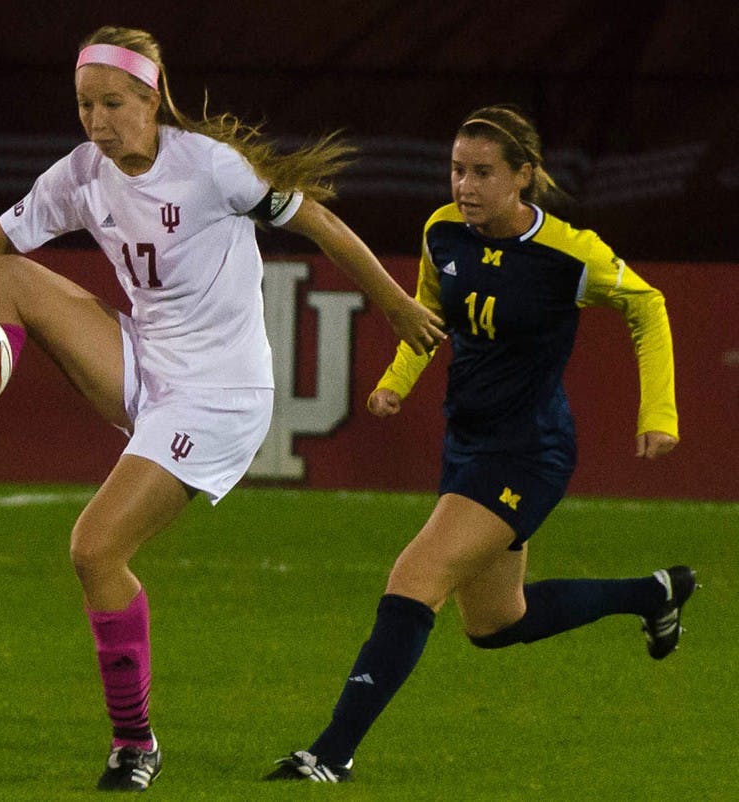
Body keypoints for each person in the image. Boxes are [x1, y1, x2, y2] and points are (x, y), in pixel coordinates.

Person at [0, 25, 445, 792]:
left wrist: (398, 306)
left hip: (219, 397)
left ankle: (134, 743)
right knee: (4, 271)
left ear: (151, 97)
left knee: (94, 549)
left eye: (112, 102)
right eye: (84, 105)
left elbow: (322, 224)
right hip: (146, 366)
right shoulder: (81, 174)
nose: (97, 121)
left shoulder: (210, 167)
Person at [266, 104, 696, 783]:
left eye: (482, 173)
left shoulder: (569, 254)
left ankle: (330, 754)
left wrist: (660, 413)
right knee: (496, 622)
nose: (464, 186)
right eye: (457, 170)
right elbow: (431, 316)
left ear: (522, 177)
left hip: (529, 452)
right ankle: (655, 593)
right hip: (468, 442)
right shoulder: (444, 231)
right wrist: (397, 382)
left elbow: (649, 306)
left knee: (415, 577)